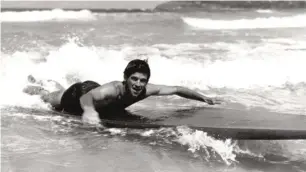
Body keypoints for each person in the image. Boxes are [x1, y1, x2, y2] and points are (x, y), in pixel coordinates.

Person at [24, 59, 221, 125]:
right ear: (125, 79)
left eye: (142, 81)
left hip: (96, 90)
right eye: (134, 79)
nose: (138, 84)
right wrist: (90, 111)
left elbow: (177, 89)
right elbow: (87, 97)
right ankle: (31, 86)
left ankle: (46, 81)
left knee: (56, 89)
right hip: (78, 95)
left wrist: (203, 98)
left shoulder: (146, 90)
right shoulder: (113, 89)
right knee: (47, 98)